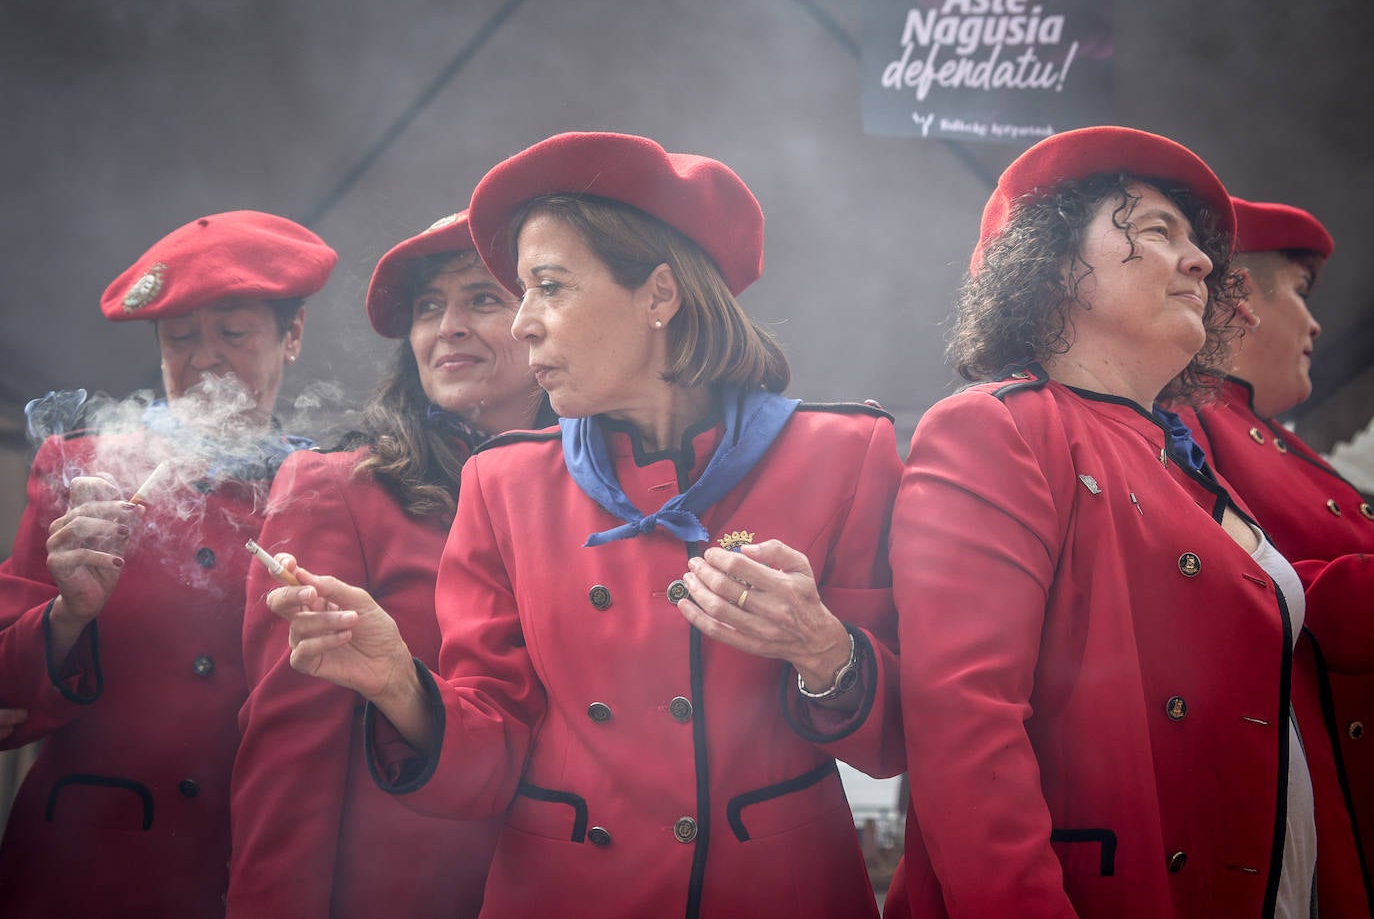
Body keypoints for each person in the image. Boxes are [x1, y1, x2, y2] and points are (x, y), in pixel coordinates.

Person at [266, 131, 904, 918]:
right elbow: (491, 757)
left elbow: (893, 742)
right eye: (524, 293)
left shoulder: (847, 453)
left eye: (550, 286)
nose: (524, 323)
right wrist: (400, 683)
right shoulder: (501, 483)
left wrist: (823, 648)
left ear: (660, 296)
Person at [886, 127, 1317, 919]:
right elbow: (966, 729)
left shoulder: (1187, 460)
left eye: (1198, 246)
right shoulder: (998, 426)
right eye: (1157, 231)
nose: (1202, 262)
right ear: (1054, 263)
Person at [0, 210, 336, 917]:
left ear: (293, 335)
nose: (206, 360)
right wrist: (67, 617)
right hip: (90, 875)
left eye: (234, 333)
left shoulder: (330, 487)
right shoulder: (82, 470)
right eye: (181, 338)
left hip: (252, 877)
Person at [227, 210, 553, 919]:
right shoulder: (336, 489)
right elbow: (289, 759)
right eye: (430, 307)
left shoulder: (608, 497)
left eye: (483, 299)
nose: (448, 325)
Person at [1184, 197, 1374, 915]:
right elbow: (1249, 595)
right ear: (1240, 298)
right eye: (1298, 290)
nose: (1317, 323)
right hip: (1287, 805)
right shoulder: (1187, 419)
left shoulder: (1266, 435)